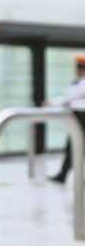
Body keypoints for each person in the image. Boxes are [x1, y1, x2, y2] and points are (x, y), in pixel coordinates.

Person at [46, 54, 85, 184]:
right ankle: (63, 175)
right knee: (72, 147)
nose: (79, 71)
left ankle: (63, 175)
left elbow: (73, 101)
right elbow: (69, 99)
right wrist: (53, 102)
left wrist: (71, 103)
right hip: (78, 119)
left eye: (81, 68)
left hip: (82, 119)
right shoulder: (77, 82)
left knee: (73, 146)